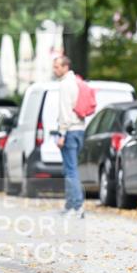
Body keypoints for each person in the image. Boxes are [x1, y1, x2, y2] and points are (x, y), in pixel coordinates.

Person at [54, 55, 86, 218]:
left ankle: (76, 206)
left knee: (71, 170)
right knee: (70, 169)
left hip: (70, 130)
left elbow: (65, 112)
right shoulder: (78, 82)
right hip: (80, 129)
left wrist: (62, 133)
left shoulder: (65, 85)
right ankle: (71, 204)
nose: (55, 70)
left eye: (57, 67)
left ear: (66, 67)